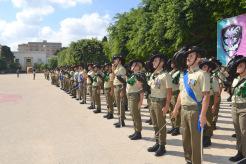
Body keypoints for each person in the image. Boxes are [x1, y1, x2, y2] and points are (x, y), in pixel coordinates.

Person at [172, 46, 210, 164]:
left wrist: (203, 115)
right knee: (185, 139)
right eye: (187, 56)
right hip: (183, 110)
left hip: (195, 111)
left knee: (195, 141)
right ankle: (188, 160)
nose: (188, 58)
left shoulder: (202, 74)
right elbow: (181, 94)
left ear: (198, 59)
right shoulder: (184, 75)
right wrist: (176, 109)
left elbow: (206, 96)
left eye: (191, 55)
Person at [147, 53, 172, 157]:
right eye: (153, 61)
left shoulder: (165, 75)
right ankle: (157, 143)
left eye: (156, 61)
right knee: (155, 124)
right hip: (152, 101)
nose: (153, 62)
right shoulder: (153, 74)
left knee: (161, 124)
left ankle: (162, 146)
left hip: (160, 102)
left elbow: (169, 92)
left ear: (162, 63)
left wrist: (166, 106)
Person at [229, 56, 246, 163]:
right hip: (234, 107)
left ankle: (245, 155)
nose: (238, 67)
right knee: (238, 132)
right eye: (237, 66)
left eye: (241, 65)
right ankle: (240, 152)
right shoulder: (235, 79)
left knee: (244, 132)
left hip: (244, 108)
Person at [199, 58, 220, 147]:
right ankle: (202, 136)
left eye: (205, 66)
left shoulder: (212, 78)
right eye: (202, 67)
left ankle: (207, 138)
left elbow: (216, 94)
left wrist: (214, 105)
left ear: (210, 69)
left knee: (208, 119)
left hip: (209, 99)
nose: (203, 68)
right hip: (200, 99)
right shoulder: (200, 77)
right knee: (200, 118)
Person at [127, 60, 145, 140]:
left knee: (136, 115)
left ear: (138, 67)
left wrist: (141, 101)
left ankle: (138, 132)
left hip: (135, 96)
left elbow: (141, 88)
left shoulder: (138, 75)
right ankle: (136, 131)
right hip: (130, 96)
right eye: (132, 65)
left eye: (135, 65)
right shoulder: (133, 75)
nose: (132, 66)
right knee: (133, 114)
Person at [112, 56, 127, 128]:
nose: (114, 61)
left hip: (119, 87)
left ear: (120, 61)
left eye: (116, 60)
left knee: (120, 104)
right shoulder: (117, 68)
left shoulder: (121, 69)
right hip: (116, 87)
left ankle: (121, 121)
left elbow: (123, 81)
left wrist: (122, 90)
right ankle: (120, 119)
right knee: (118, 104)